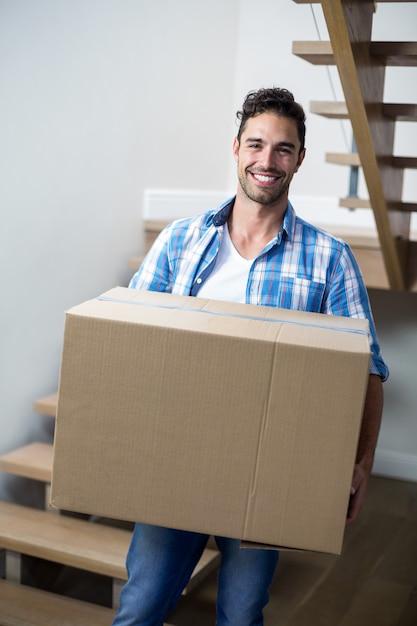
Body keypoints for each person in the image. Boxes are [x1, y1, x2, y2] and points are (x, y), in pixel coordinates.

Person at [112, 87, 388, 626]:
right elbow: (131, 340)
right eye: (256, 145)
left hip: (269, 467)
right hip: (178, 457)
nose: (268, 161)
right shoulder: (180, 241)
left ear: (300, 159)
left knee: (240, 615)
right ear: (235, 148)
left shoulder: (331, 259)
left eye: (283, 149)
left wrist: (360, 463)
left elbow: (367, 368)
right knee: (140, 607)